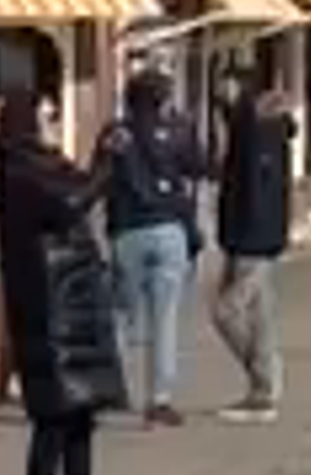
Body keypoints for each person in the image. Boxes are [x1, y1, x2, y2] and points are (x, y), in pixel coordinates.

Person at [0, 63, 123, 475]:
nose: (52, 124)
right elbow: (70, 202)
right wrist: (104, 165)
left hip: (73, 293)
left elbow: (75, 188)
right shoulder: (21, 169)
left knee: (82, 406)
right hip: (49, 300)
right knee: (55, 406)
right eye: (46, 116)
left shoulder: (43, 163)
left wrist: (98, 161)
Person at [95, 60, 206, 425]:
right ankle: (159, 399)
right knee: (165, 318)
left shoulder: (116, 133)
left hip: (128, 229)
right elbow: (202, 166)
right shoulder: (179, 130)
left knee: (121, 314)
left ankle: (111, 388)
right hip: (171, 229)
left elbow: (96, 177)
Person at [207, 59, 296, 413]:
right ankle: (262, 391)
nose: (219, 92)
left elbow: (259, 189)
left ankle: (265, 377)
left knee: (227, 311)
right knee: (260, 315)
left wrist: (256, 238)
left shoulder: (259, 130)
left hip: (253, 238)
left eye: (225, 86)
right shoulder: (251, 125)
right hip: (247, 235)